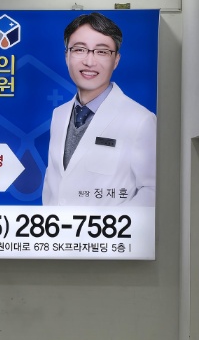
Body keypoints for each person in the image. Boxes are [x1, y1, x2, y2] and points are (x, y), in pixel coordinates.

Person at [42, 12, 155, 207]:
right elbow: (53, 182)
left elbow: (152, 189)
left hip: (106, 227)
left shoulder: (140, 119)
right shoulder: (59, 114)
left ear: (116, 60)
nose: (89, 61)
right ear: (67, 56)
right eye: (80, 49)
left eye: (101, 52)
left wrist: (107, 223)